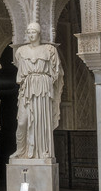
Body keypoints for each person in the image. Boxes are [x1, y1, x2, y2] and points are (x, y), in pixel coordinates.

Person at [12, 21, 64, 160]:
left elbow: (57, 71)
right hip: (27, 87)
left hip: (43, 87)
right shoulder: (20, 51)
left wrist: (45, 81)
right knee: (22, 121)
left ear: (39, 33)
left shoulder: (49, 50)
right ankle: (21, 149)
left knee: (41, 120)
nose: (30, 34)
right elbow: (18, 65)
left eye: (33, 31)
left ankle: (42, 151)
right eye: (28, 32)